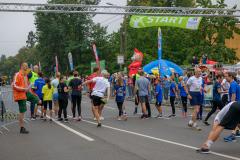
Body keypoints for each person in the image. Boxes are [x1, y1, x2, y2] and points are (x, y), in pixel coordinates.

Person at [12, 62, 42, 133]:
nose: (27, 67)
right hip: (21, 94)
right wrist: (23, 89)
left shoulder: (25, 75)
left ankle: (33, 113)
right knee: (22, 112)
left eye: (27, 66)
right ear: (22, 66)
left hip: (27, 92)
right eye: (26, 66)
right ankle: (21, 128)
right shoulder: (17, 75)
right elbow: (14, 85)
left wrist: (33, 92)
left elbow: (28, 85)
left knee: (39, 101)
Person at [223, 72, 240, 142]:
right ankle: (237, 132)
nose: (225, 78)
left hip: (235, 104)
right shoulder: (235, 83)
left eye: (226, 76)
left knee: (234, 121)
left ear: (231, 77)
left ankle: (233, 136)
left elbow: (233, 95)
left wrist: (231, 105)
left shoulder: (233, 84)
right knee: (238, 121)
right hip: (238, 104)